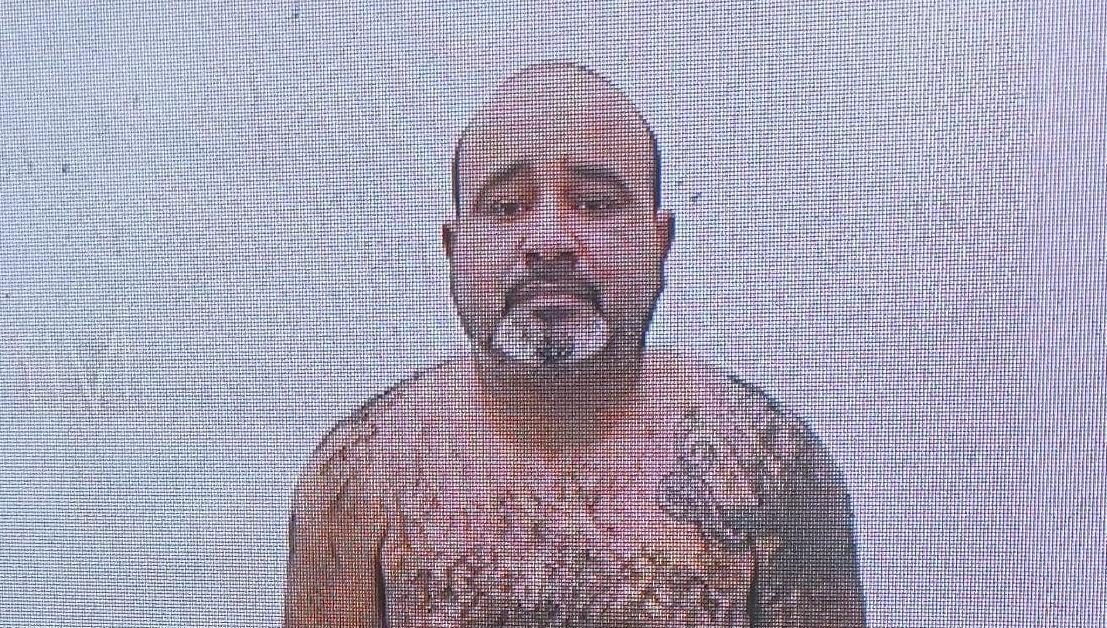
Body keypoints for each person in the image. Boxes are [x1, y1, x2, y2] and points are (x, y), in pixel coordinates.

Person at [284, 61, 866, 628]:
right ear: (454, 248)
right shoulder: (363, 474)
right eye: (506, 207)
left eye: (594, 203)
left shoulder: (767, 467)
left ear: (659, 241)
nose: (549, 240)